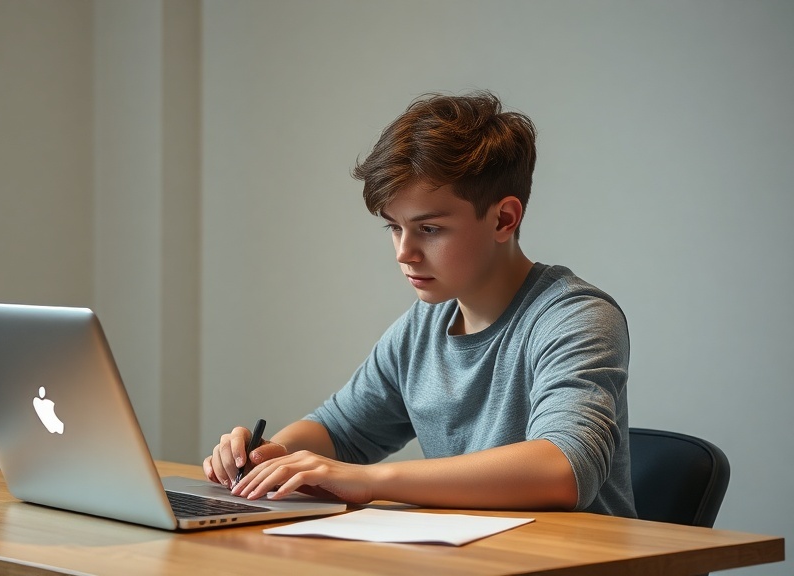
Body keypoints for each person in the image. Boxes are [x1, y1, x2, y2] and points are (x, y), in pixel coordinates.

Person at [203, 91, 635, 516]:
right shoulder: (422, 327)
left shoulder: (577, 317)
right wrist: (265, 458)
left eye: (428, 229)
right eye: (394, 228)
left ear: (504, 219)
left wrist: (371, 481)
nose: (403, 253)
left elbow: (562, 470)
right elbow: (337, 431)